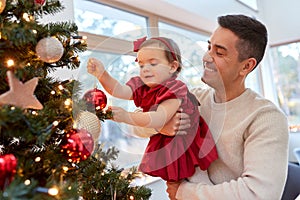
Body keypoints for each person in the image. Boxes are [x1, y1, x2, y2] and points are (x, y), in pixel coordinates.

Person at [162, 14, 289, 199]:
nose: (206, 57)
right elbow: (138, 121)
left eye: (219, 53)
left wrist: (183, 192)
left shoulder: (266, 118)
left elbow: (259, 194)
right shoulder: (194, 98)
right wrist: (161, 124)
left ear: (246, 66)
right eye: (208, 47)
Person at [86, 37, 218, 188]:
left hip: (187, 148)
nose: (145, 69)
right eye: (141, 65)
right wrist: (102, 75)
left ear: (172, 67)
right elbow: (120, 90)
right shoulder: (144, 87)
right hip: (169, 145)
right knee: (174, 187)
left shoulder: (175, 89)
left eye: (153, 63)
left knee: (196, 183)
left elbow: (159, 118)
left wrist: (127, 117)